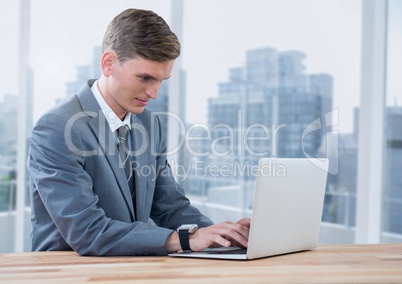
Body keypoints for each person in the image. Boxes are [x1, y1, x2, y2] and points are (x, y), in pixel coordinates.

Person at [28, 8, 250, 256]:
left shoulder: (148, 124)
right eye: (145, 78)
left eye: (161, 81)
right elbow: (88, 231)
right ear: (108, 63)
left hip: (133, 269)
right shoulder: (58, 127)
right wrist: (186, 240)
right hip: (70, 272)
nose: (154, 94)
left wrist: (223, 236)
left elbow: (170, 206)